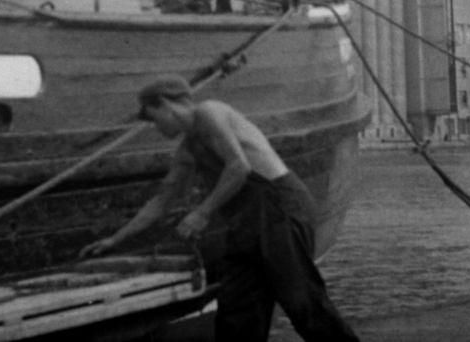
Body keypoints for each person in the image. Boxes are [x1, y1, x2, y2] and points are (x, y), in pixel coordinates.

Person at [80, 75, 360, 342]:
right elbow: (161, 201)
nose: (157, 129)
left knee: (302, 302)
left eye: (154, 119)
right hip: (246, 224)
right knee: (238, 314)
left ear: (165, 104)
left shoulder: (209, 112)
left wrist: (202, 213)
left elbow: (239, 167)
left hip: (279, 209)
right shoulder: (188, 149)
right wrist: (115, 240)